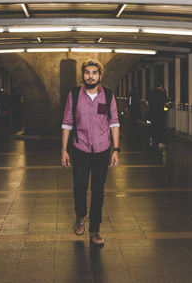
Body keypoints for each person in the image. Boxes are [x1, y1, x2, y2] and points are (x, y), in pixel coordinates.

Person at [60, 59, 120, 247]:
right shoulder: (75, 95)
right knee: (79, 186)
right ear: (83, 75)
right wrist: (64, 150)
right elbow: (67, 122)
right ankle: (80, 216)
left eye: (94, 73)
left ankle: (94, 229)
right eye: (87, 72)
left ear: (100, 76)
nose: (90, 76)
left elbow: (114, 123)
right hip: (80, 148)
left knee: (98, 190)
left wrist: (116, 150)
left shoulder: (108, 96)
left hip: (102, 149)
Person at [146, 82, 169, 148]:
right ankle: (160, 142)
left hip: (152, 113)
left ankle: (151, 140)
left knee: (152, 126)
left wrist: (150, 107)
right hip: (160, 113)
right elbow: (166, 103)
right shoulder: (162, 93)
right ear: (161, 86)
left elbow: (147, 102)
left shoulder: (151, 93)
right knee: (160, 128)